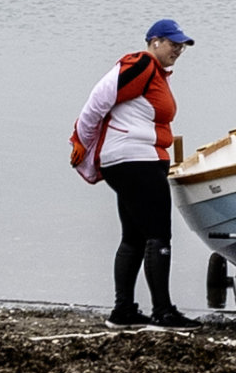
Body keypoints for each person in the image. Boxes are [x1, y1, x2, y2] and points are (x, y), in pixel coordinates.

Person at [72, 19, 196, 328]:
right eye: (173, 43)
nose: (178, 50)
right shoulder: (141, 63)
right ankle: (163, 312)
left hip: (133, 160)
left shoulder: (156, 74)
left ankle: (123, 311)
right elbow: (97, 100)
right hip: (135, 160)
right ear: (155, 41)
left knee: (134, 236)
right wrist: (81, 142)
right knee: (158, 234)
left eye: (181, 46)